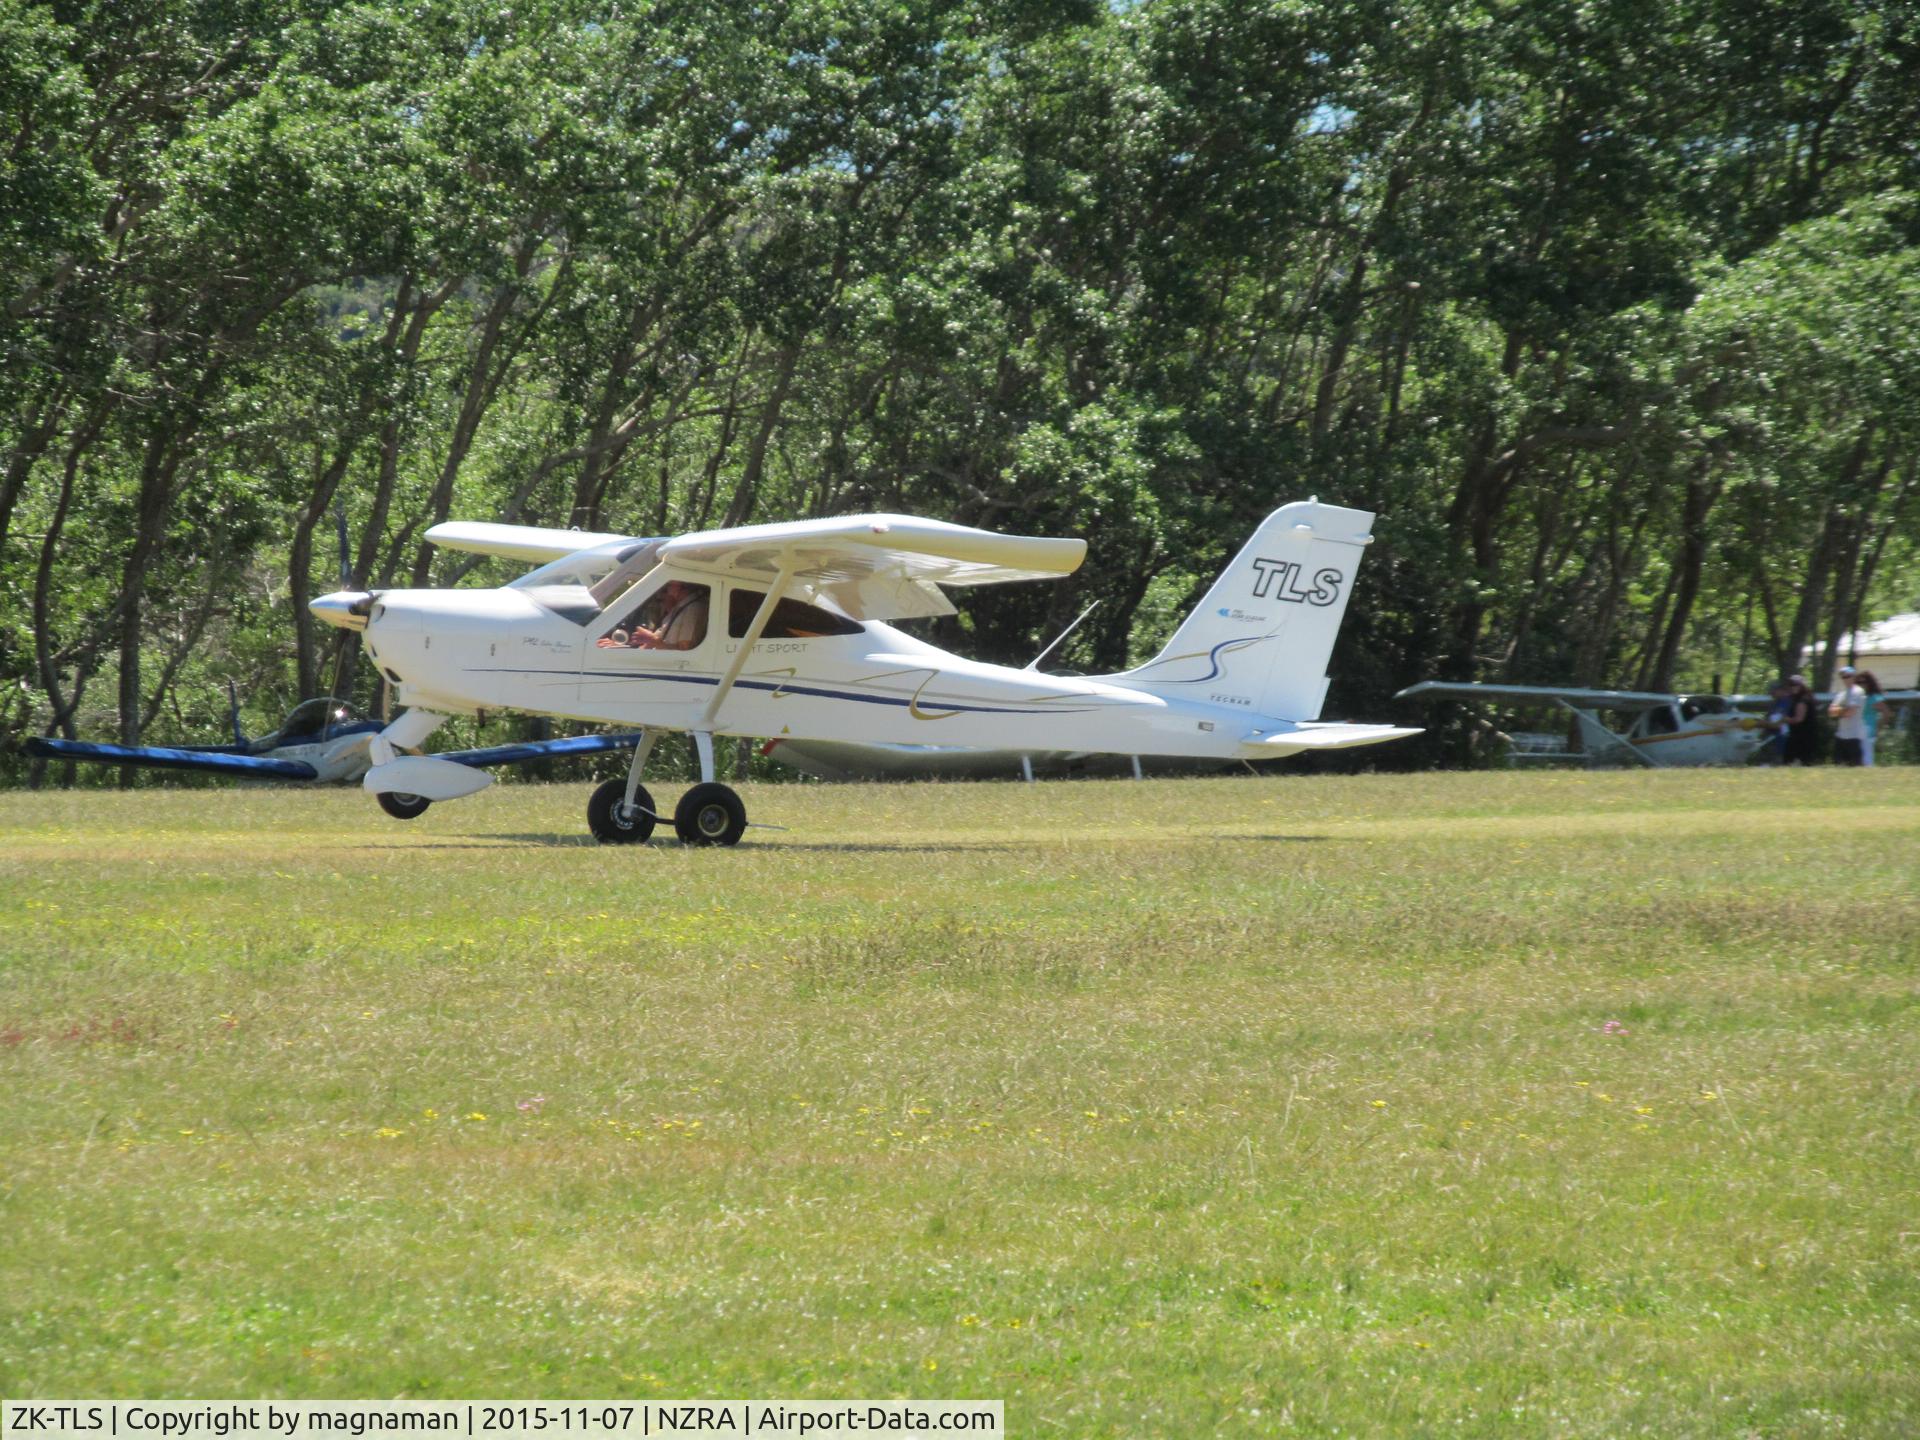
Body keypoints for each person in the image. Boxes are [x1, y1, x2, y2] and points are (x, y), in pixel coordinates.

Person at [1828, 665, 1866, 766]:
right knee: (1838, 766)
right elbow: (1831, 712)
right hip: (1841, 736)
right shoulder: (1841, 694)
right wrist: (1843, 710)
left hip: (1854, 736)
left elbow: (1850, 712)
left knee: (1855, 767)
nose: (1845, 679)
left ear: (1853, 677)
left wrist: (1839, 710)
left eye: (1848, 676)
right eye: (1843, 677)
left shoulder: (1857, 691)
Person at [1782, 675, 1820, 765]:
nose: (1793, 687)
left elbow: (1799, 719)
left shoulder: (1802, 700)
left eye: (1795, 685)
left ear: (1802, 686)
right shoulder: (1804, 697)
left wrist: (1785, 719)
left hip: (1802, 736)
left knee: (1791, 761)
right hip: (1804, 735)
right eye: (1791, 685)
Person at [1856, 669, 1886, 767]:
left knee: (1867, 759)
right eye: (1858, 682)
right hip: (1857, 730)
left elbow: (1886, 713)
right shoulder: (1858, 697)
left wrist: (1878, 728)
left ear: (1869, 683)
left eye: (1863, 682)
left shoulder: (1873, 698)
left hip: (1868, 729)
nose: (1861, 685)